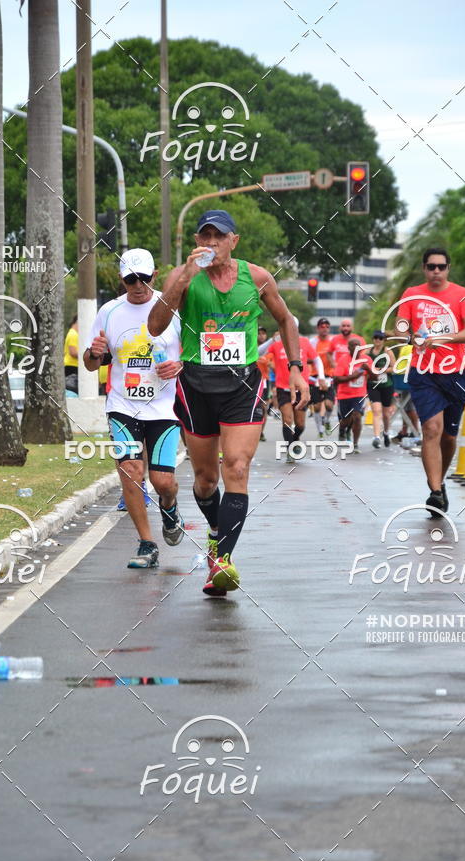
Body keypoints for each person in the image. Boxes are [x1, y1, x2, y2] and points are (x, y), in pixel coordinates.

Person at [148, 209, 309, 596]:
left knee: (237, 465)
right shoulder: (184, 277)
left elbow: (287, 320)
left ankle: (221, 559)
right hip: (196, 385)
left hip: (243, 385)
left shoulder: (257, 278)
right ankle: (216, 529)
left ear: (233, 241)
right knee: (206, 481)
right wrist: (182, 278)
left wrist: (297, 368)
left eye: (218, 236)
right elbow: (154, 325)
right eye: (205, 237)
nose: (211, 243)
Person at [84, 248, 184, 568]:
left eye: (143, 278)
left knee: (162, 482)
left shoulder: (172, 309)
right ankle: (146, 543)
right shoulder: (109, 312)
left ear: (154, 276)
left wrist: (180, 365)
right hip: (123, 405)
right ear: (121, 281)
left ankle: (170, 510)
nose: (138, 285)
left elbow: (195, 354)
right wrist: (95, 353)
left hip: (164, 408)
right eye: (130, 280)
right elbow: (89, 363)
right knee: (130, 472)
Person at [396, 247, 465, 516]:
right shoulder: (412, 294)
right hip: (423, 373)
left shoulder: (462, 294)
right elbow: (401, 327)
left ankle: (440, 481)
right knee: (432, 429)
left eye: (441, 267)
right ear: (424, 268)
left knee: (448, 436)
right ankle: (435, 493)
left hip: (454, 373)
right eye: (431, 266)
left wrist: (445, 338)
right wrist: (409, 334)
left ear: (448, 268)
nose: (436, 271)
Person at [267, 318, 324, 460]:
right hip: (282, 388)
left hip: (301, 389)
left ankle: (295, 439)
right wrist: (270, 344)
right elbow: (261, 354)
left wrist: (321, 377)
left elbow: (317, 359)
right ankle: (290, 450)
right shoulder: (276, 344)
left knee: (300, 424)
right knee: (287, 419)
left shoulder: (304, 342)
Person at [333, 338, 373, 453]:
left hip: (360, 394)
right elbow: (336, 379)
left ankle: (355, 444)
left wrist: (368, 370)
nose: (356, 347)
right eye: (353, 345)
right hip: (344, 395)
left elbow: (375, 378)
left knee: (357, 416)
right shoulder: (343, 360)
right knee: (346, 420)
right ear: (349, 348)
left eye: (358, 345)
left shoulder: (366, 360)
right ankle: (342, 429)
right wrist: (353, 376)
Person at [366, 330, 397, 448]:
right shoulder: (368, 352)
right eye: (375, 338)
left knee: (386, 414)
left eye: (380, 338)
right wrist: (371, 370)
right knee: (376, 410)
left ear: (384, 340)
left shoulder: (387, 351)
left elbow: (394, 368)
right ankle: (376, 437)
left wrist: (382, 370)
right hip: (373, 385)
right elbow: (364, 366)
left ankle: (386, 432)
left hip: (386, 385)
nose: (377, 340)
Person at [310, 317, 336, 436]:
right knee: (317, 406)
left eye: (327, 327)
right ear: (318, 329)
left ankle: (327, 420)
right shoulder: (313, 342)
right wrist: (315, 361)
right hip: (315, 377)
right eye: (322, 327)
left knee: (329, 404)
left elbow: (336, 359)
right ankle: (320, 429)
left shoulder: (333, 342)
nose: (324, 329)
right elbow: (306, 358)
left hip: (329, 376)